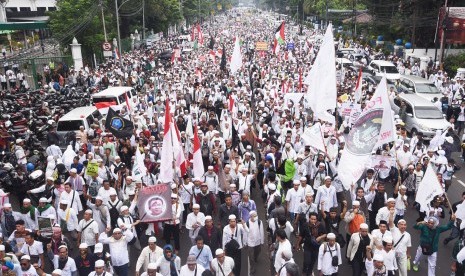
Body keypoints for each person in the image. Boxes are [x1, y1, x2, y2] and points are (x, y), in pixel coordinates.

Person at [245, 210, 264, 276]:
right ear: (250, 216)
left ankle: (255, 258)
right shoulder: (247, 223)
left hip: (258, 241)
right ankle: (252, 270)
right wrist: (245, 243)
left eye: (256, 215)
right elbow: (245, 234)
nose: (256, 217)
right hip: (250, 242)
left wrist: (262, 241)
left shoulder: (259, 222)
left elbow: (261, 231)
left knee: (258, 251)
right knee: (251, 257)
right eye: (254, 216)